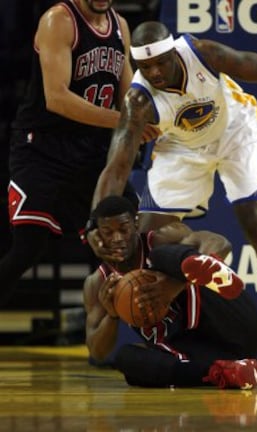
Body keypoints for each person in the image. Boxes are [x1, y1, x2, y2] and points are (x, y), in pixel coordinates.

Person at [89, 21, 257, 381]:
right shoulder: (138, 101)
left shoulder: (203, 52)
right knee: (148, 241)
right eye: (145, 68)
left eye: (160, 64)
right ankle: (181, 340)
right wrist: (95, 225)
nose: (154, 73)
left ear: (173, 53)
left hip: (236, 130)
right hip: (181, 147)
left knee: (255, 222)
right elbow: (115, 168)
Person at [0, 0, 158, 306]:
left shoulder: (120, 26)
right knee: (27, 248)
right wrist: (125, 121)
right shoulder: (58, 20)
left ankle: (144, 337)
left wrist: (153, 121)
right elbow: (56, 98)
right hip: (43, 149)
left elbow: (128, 97)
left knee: (126, 242)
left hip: (93, 151)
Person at [84, 195, 257, 388]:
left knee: (162, 254)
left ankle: (193, 267)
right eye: (108, 232)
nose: (117, 238)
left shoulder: (161, 237)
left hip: (230, 324)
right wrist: (112, 315)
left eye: (123, 229)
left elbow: (220, 242)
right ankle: (222, 373)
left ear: (136, 225)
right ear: (97, 237)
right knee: (127, 360)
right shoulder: (99, 282)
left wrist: (175, 284)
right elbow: (97, 351)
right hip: (195, 351)